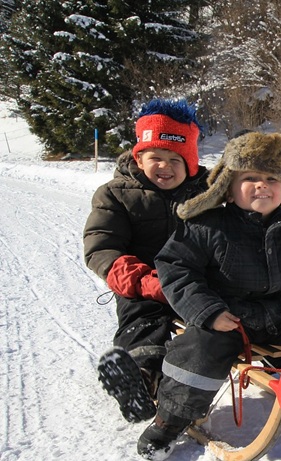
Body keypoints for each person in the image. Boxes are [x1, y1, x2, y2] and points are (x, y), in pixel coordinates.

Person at [137, 132, 281, 459]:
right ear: (228, 186)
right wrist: (208, 311)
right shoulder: (206, 225)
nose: (262, 185)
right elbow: (176, 266)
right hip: (228, 319)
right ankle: (171, 418)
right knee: (198, 350)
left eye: (271, 178)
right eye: (250, 178)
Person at [83, 98, 208, 424]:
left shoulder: (208, 194)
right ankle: (140, 377)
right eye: (155, 157)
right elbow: (102, 247)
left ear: (191, 163)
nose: (164, 166)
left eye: (174, 159)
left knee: (246, 308)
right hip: (145, 282)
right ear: (139, 158)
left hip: (197, 282)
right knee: (144, 318)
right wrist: (141, 281)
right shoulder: (116, 195)